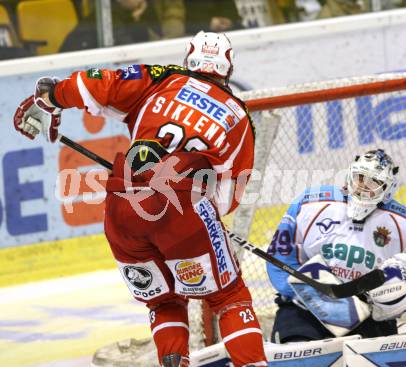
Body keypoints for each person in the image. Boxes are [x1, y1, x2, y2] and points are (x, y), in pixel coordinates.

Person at [13, 31, 267, 367]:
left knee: (164, 301)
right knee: (228, 296)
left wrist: (51, 98)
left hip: (123, 205)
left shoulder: (162, 78)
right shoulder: (239, 116)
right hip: (182, 209)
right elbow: (229, 193)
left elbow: (95, 83)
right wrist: (203, 223)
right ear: (228, 68)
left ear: (188, 59)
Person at [266, 149, 406, 343]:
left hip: (367, 315)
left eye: (374, 183)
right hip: (306, 310)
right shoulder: (310, 203)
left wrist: (391, 304)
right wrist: (314, 298)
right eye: (360, 178)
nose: (363, 186)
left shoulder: (404, 224)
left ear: (388, 189)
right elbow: (280, 257)